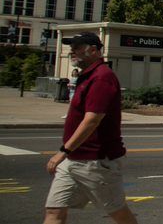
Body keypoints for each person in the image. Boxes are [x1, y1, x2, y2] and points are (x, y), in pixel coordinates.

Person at [43, 32, 137, 224]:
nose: (72, 52)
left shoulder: (102, 77)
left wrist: (62, 152)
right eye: (72, 48)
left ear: (93, 50)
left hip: (96, 162)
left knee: (118, 213)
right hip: (73, 161)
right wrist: (67, 154)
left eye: (77, 48)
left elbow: (92, 120)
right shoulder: (87, 76)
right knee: (54, 211)